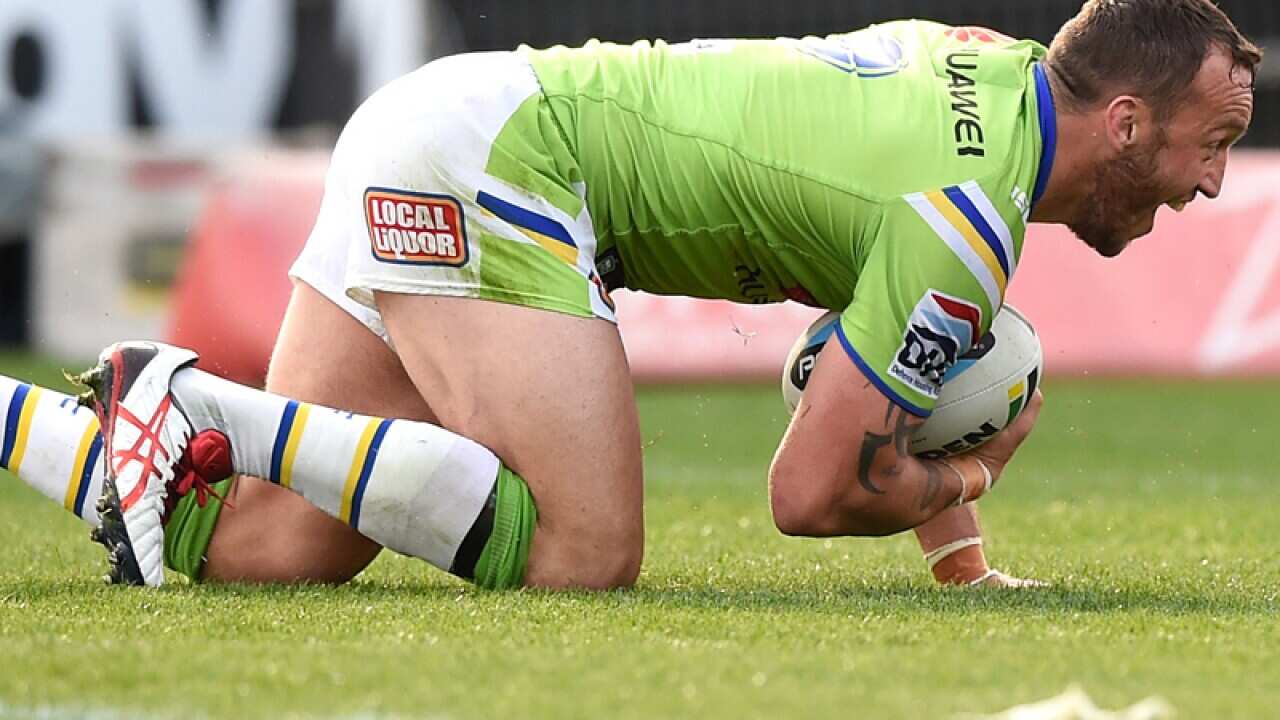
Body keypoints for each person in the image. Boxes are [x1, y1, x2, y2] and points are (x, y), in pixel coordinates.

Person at [0, 0, 1259, 590]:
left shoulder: (981, 68)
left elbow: (900, 356)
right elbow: (807, 492)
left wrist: (960, 563)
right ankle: (181, 399)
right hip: (504, 165)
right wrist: (964, 475)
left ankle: (36, 423)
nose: (1209, 183)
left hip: (453, 121)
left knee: (279, 548)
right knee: (583, 553)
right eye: (1208, 145)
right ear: (1126, 121)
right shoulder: (967, 220)